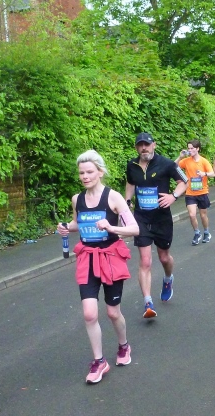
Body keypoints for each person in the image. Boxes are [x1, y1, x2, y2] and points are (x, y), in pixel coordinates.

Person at [57, 150, 139, 384]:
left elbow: (134, 229)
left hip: (111, 258)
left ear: (100, 172)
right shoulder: (77, 199)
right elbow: (78, 223)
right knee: (89, 314)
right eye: (81, 173)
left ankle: (123, 345)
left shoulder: (113, 197)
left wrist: (111, 228)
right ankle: (99, 361)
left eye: (89, 172)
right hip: (87, 259)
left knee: (113, 312)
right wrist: (66, 227)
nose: (85, 176)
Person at [125, 132, 188, 319]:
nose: (144, 148)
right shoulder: (132, 165)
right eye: (140, 145)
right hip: (141, 218)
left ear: (154, 145)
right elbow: (130, 183)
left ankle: (168, 279)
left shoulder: (167, 164)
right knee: (145, 261)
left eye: (147, 144)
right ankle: (148, 302)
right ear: (136, 147)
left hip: (161, 219)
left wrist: (173, 196)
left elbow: (184, 182)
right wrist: (126, 202)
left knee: (164, 257)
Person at [176, 139, 214, 244]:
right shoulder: (186, 161)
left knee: (203, 215)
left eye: (192, 148)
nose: (189, 150)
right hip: (190, 193)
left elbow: (212, 174)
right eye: (188, 148)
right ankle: (197, 233)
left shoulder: (204, 161)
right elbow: (173, 166)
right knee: (192, 215)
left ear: (197, 149)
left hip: (202, 192)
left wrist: (204, 174)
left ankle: (206, 232)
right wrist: (180, 157)